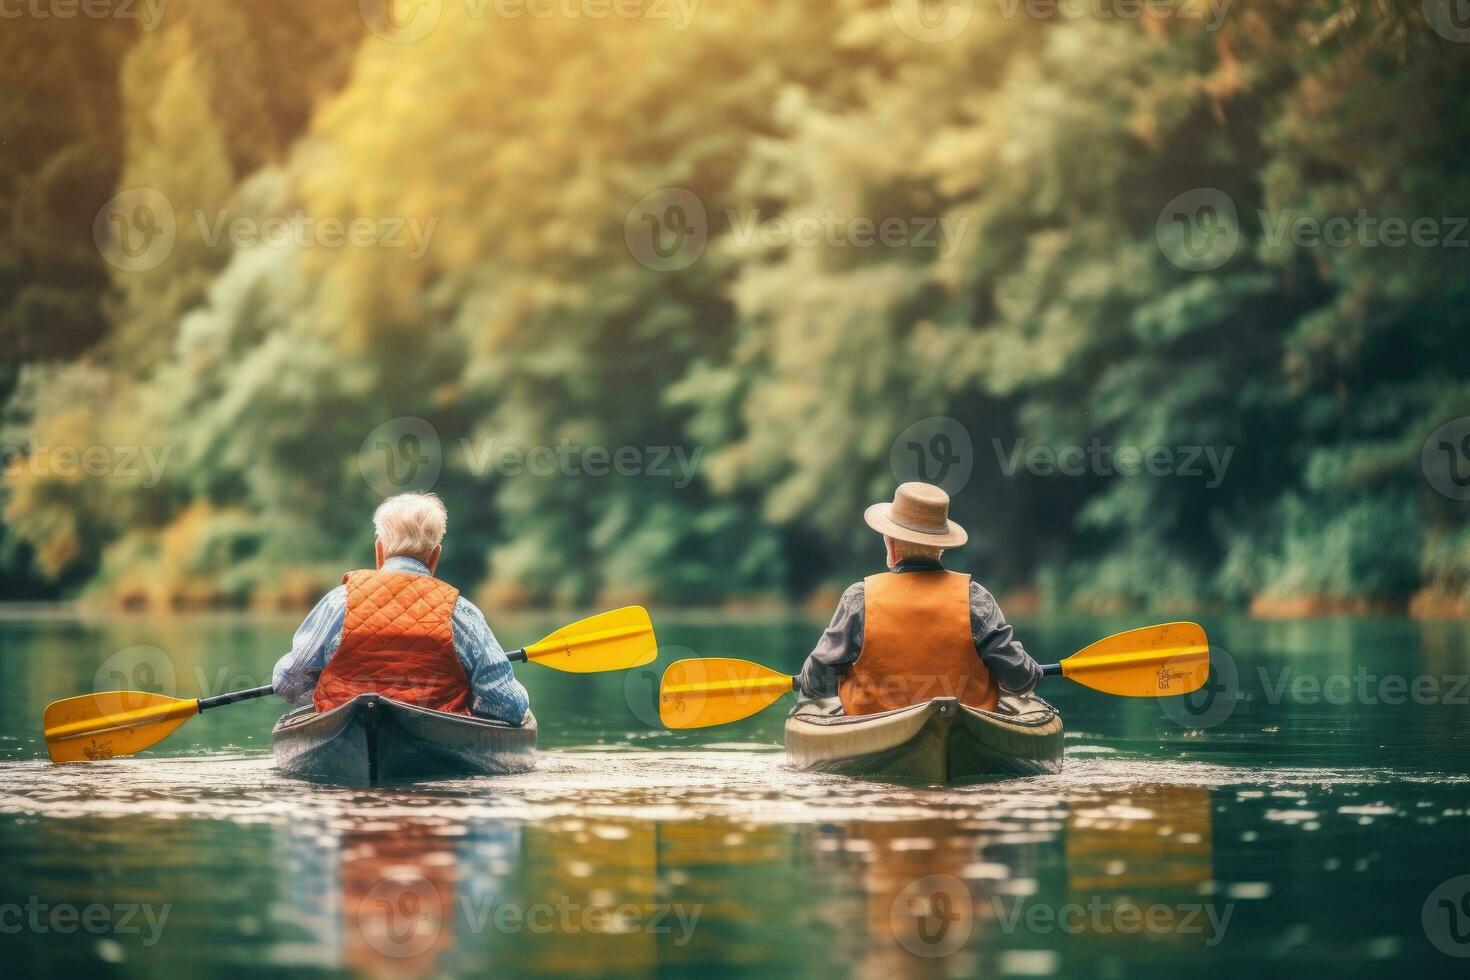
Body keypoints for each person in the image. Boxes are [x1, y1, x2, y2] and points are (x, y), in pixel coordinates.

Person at [272, 493, 529, 724]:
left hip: (345, 727)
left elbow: (287, 681)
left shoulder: (338, 602)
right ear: (435, 556)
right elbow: (507, 706)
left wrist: (321, 697)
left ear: (379, 551)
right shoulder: (462, 613)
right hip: (437, 737)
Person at [797, 482, 1041, 714]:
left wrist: (843, 676)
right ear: (940, 546)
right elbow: (1020, 679)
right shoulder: (975, 599)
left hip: (873, 723)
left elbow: (816, 683)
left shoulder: (860, 599)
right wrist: (1032, 671)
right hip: (963, 724)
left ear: (891, 545)